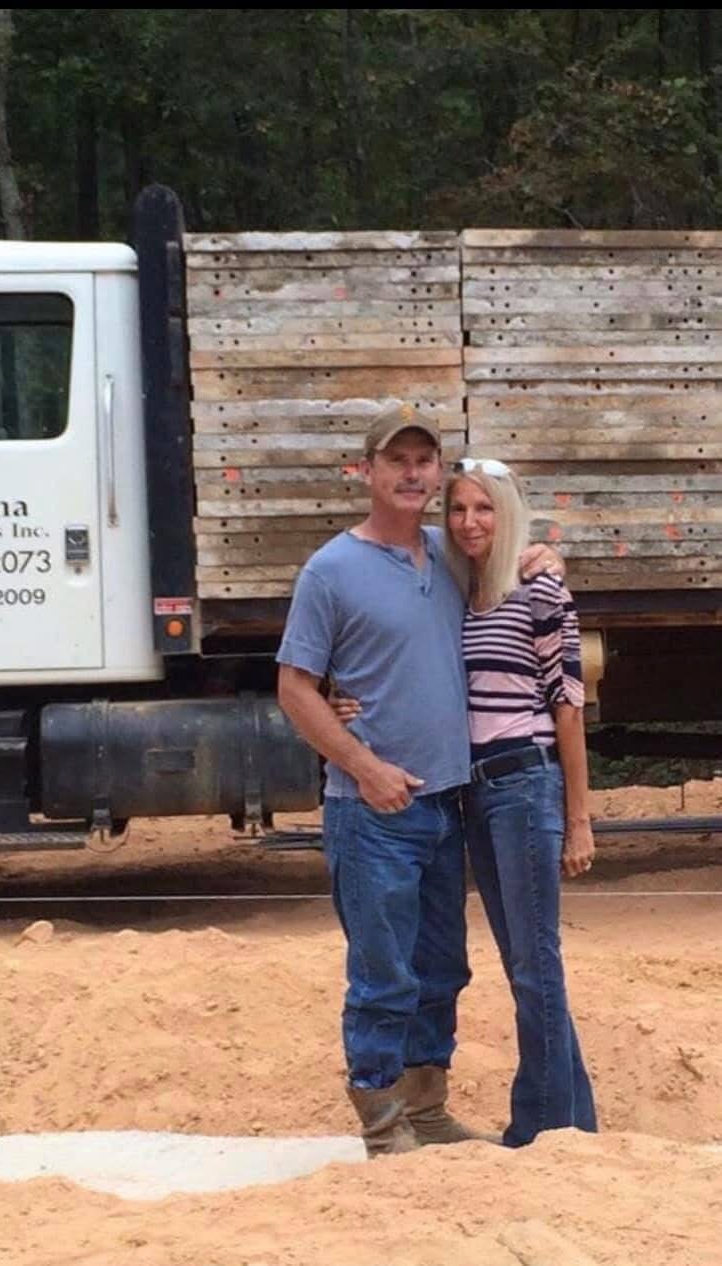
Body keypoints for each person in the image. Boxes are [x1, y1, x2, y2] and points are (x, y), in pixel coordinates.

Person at [275, 403, 563, 1158]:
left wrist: (548, 559)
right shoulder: (330, 570)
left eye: (423, 462)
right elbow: (295, 687)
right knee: (382, 973)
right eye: (395, 461)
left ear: (436, 474)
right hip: (371, 810)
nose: (411, 474)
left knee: (441, 966)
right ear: (365, 472)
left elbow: (512, 554)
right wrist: (362, 765)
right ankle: (381, 1123)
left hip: (446, 803)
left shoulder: (449, 553)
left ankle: (426, 1108)